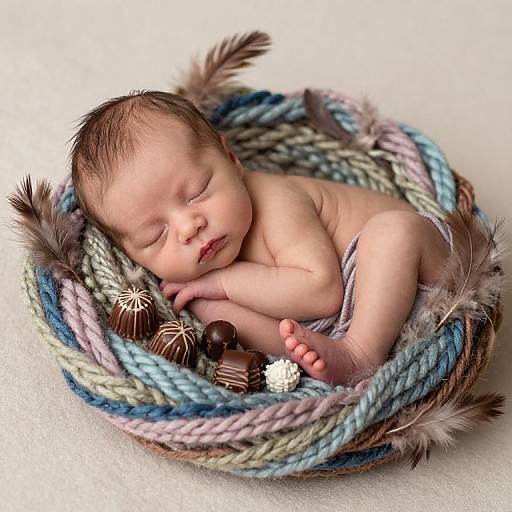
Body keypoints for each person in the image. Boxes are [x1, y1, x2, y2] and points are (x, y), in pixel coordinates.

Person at [70, 90, 451, 386]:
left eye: (197, 192)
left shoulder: (275, 202)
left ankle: (360, 354)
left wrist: (224, 282)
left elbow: (322, 292)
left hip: (421, 269)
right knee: (209, 309)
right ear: (130, 255)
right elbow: (290, 321)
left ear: (231, 159)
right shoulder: (200, 281)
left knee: (392, 233)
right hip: (341, 322)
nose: (189, 227)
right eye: (157, 235)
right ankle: (332, 357)